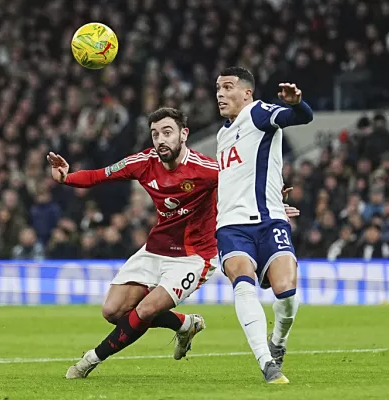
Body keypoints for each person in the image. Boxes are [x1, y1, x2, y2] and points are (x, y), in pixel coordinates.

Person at [50, 107, 299, 379]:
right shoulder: (143, 162)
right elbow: (100, 175)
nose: (160, 140)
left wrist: (273, 204)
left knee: (145, 310)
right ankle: (185, 324)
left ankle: (90, 360)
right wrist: (67, 177)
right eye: (155, 134)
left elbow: (245, 186)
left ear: (184, 135)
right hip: (155, 249)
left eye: (167, 132)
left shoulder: (206, 170)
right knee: (112, 311)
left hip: (193, 257)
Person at [214, 67, 313, 384]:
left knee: (286, 294)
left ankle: (278, 343)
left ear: (247, 93)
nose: (220, 93)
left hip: (269, 221)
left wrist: (297, 104)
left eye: (228, 87)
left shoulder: (256, 113)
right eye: (217, 88)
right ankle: (267, 363)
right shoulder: (222, 134)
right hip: (232, 227)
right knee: (243, 283)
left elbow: (300, 118)